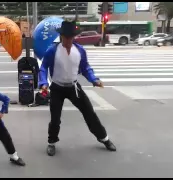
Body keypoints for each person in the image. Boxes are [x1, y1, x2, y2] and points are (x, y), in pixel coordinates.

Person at [38, 21, 117, 156]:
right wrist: (43, 83)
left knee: (89, 113)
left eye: (71, 37)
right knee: (55, 118)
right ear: (61, 36)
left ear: (74, 37)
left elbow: (86, 68)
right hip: (57, 88)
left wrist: (94, 79)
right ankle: (51, 142)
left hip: (73, 87)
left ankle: (104, 138)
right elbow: (44, 67)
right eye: (66, 37)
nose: (69, 40)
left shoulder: (79, 50)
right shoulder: (53, 50)